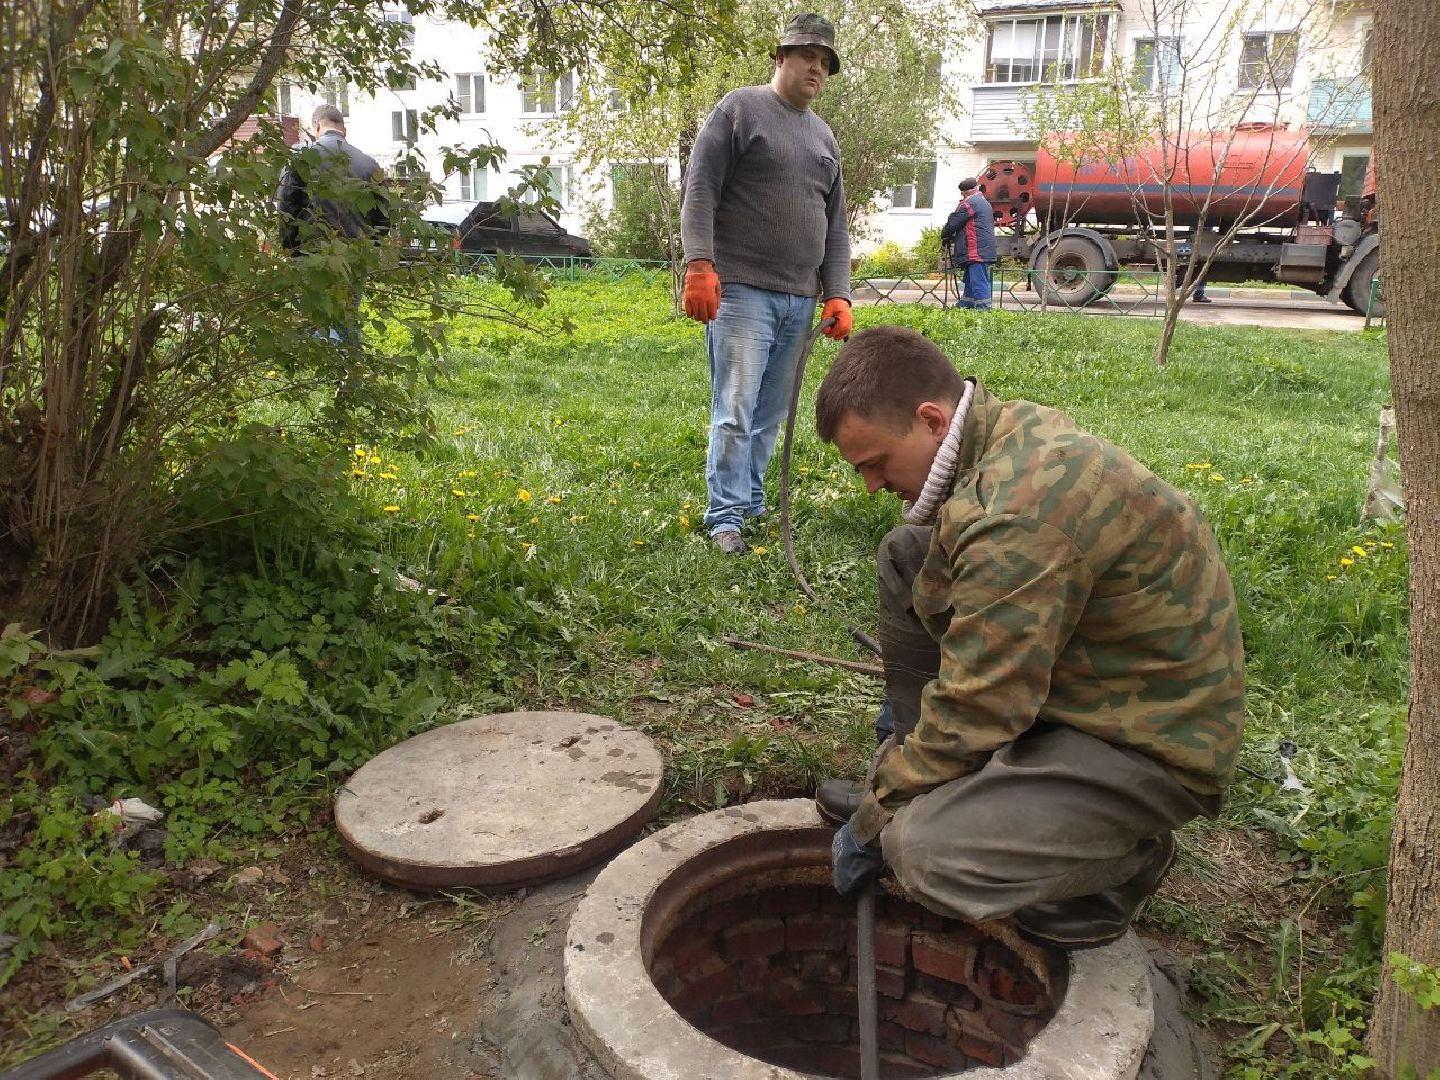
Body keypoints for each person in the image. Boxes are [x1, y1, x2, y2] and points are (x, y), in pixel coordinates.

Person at [813, 325, 1245, 949]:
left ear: (931, 420)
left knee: (925, 854)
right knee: (909, 553)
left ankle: (1128, 859)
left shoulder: (1017, 516)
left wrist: (877, 820)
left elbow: (982, 706)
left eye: (876, 463)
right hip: (1085, 682)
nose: (872, 485)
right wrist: (901, 772)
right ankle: (917, 775)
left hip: (1147, 741)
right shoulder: (1000, 430)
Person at [680, 12, 853, 556]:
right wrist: (700, 263)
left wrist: (839, 292)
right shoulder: (741, 109)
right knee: (735, 408)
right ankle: (725, 516)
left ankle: (751, 503)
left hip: (800, 299)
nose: (816, 69)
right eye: (807, 57)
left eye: (824, 62)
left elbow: (836, 225)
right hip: (742, 291)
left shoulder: (824, 136)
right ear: (780, 57)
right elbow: (701, 188)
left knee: (770, 414)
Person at [276, 104, 388, 344]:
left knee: (320, 319)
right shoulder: (369, 165)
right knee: (347, 318)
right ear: (344, 130)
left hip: (314, 254)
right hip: (356, 255)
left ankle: (332, 371)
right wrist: (371, 245)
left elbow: (286, 207)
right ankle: (353, 376)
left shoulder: (302, 160)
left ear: (316, 126)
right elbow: (384, 216)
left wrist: (290, 248)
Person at [939, 178, 995, 310]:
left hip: (975, 250)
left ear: (965, 193)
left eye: (963, 194)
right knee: (970, 280)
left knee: (978, 281)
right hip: (981, 249)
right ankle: (966, 305)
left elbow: (954, 222)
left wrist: (945, 235)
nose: (963, 196)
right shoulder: (984, 202)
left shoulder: (969, 203)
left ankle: (984, 310)